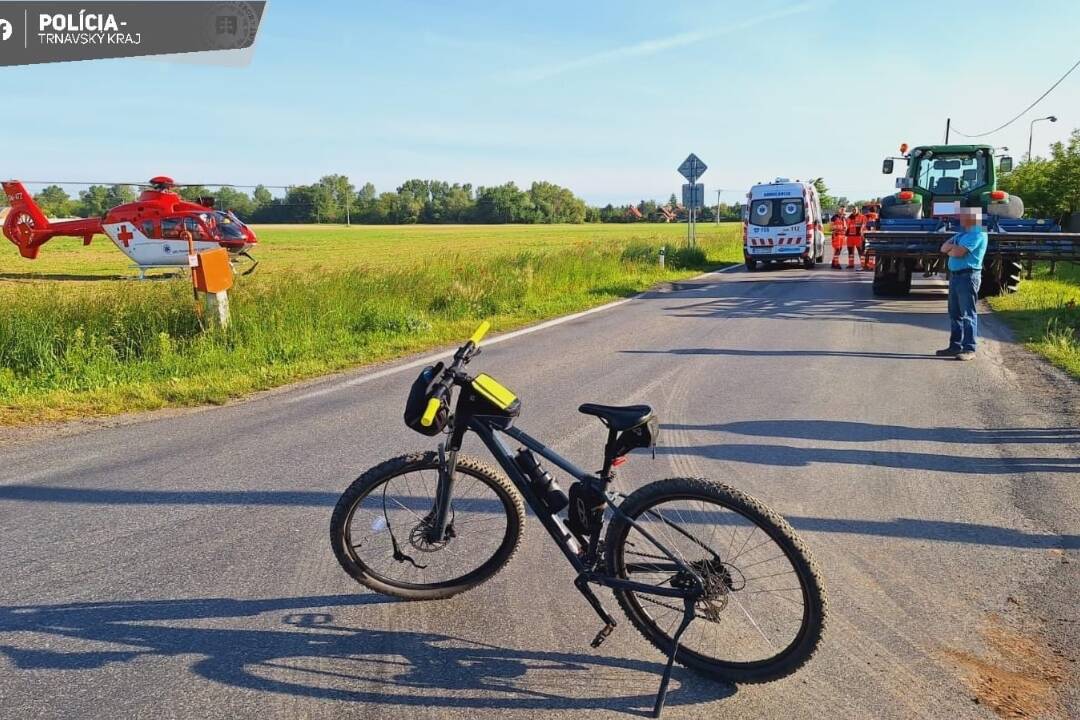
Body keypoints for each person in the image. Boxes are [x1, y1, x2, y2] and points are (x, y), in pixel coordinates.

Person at [937, 208, 988, 361]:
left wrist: (952, 250)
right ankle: (955, 346)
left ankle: (969, 349)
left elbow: (958, 252)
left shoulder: (978, 233)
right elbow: (943, 247)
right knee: (955, 313)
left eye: (965, 217)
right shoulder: (962, 234)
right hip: (956, 276)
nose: (961, 220)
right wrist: (951, 249)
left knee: (968, 314)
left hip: (968, 276)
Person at [845, 205, 865, 269]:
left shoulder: (862, 217)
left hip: (858, 237)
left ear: (858, 210)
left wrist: (862, 233)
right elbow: (846, 226)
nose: (854, 211)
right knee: (850, 251)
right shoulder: (849, 217)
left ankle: (863, 265)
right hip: (850, 237)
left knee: (860, 251)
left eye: (855, 210)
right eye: (853, 210)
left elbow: (864, 225)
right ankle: (851, 264)